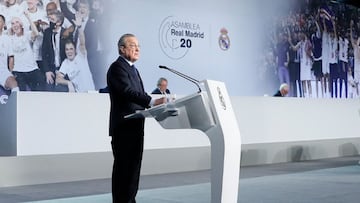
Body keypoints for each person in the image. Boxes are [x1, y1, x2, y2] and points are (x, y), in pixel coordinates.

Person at [106, 33, 166, 203]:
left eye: (138, 45)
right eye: (133, 45)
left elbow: (139, 95)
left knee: (133, 172)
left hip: (136, 127)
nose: (137, 49)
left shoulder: (133, 69)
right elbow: (128, 92)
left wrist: (159, 105)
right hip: (124, 127)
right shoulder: (117, 67)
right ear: (122, 49)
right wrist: (153, 100)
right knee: (124, 172)